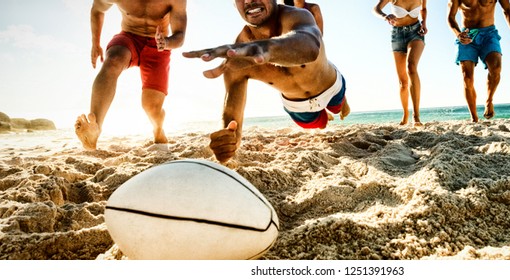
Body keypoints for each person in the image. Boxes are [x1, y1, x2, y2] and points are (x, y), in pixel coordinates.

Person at [182, 0, 350, 163]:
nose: (249, 0)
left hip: (331, 86)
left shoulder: (298, 16)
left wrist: (265, 49)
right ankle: (324, 116)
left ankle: (341, 105)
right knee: (320, 125)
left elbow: (309, 47)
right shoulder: (236, 56)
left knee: (339, 106)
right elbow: (233, 125)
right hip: (298, 105)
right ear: (235, 4)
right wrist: (228, 143)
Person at [74, 0, 187, 150]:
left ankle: (158, 130)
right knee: (113, 61)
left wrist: (166, 42)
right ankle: (95, 126)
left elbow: (180, 35)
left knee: (151, 108)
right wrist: (96, 43)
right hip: (128, 37)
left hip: (159, 45)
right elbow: (97, 9)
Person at [448, 0, 510, 123]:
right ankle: (474, 117)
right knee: (467, 78)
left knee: (496, 69)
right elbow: (451, 17)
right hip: (467, 34)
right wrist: (458, 34)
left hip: (489, 34)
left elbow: (507, 9)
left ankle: (489, 100)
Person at [373, 0, 427, 127]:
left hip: (416, 32)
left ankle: (416, 115)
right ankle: (405, 113)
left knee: (411, 67)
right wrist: (385, 16)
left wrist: (424, 23)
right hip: (397, 35)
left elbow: (423, 9)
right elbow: (376, 8)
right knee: (403, 82)